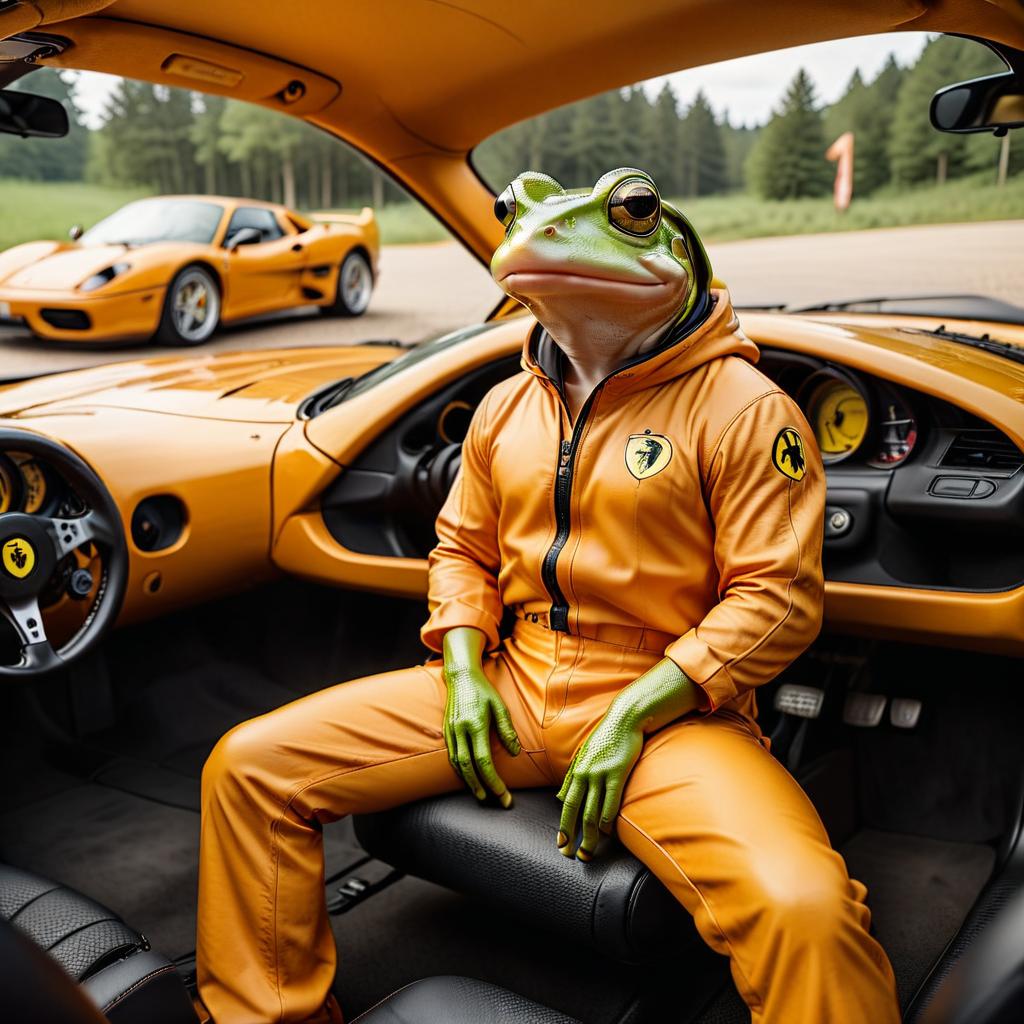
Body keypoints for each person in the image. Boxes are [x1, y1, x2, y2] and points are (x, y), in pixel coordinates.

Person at [195, 167, 900, 1023]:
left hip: (672, 713)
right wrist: (461, 666)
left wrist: (634, 714)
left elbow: (777, 601)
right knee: (249, 770)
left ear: (682, 254)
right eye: (514, 216)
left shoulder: (751, 411)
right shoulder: (500, 409)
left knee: (805, 908)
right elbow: (460, 552)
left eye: (631, 214)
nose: (538, 232)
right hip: (512, 677)